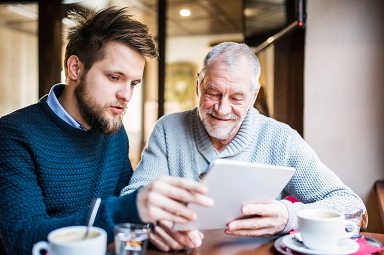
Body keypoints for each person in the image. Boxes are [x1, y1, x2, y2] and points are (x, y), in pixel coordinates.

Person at [0, 7, 213, 255]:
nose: (126, 95)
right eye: (115, 77)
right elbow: (24, 241)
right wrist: (131, 207)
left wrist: (160, 227)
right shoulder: (12, 133)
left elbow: (125, 216)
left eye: (133, 83)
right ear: (75, 68)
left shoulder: (114, 133)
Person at [121, 42, 366, 251]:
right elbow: (132, 197)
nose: (222, 109)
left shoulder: (280, 138)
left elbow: (352, 205)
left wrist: (287, 217)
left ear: (253, 95)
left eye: (237, 98)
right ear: (198, 85)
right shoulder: (168, 129)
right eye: (213, 93)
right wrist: (154, 223)